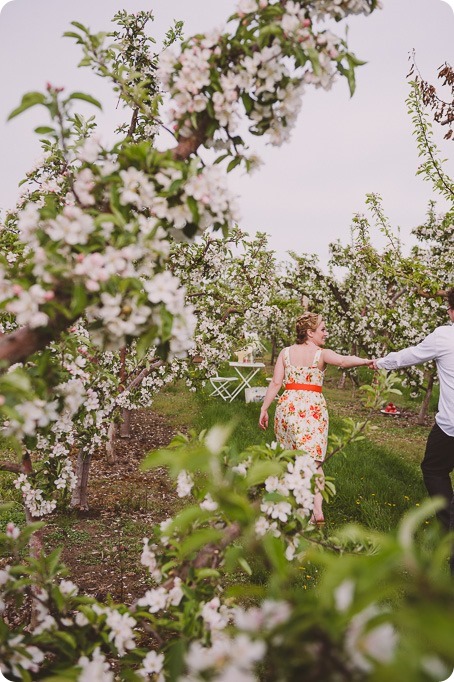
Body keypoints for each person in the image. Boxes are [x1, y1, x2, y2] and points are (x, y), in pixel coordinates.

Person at [259, 312, 371, 524]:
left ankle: (288, 506)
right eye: (323, 329)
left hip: (287, 409)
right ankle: (316, 511)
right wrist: (367, 361)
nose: (326, 333)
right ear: (310, 333)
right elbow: (344, 361)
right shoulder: (321, 354)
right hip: (311, 410)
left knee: (291, 458)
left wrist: (264, 408)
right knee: (315, 462)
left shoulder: (285, 353)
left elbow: (275, 383)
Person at [371, 287, 454, 570]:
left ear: (451, 311)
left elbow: (410, 355)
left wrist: (380, 363)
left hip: (450, 428)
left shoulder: (444, 335)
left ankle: (450, 526)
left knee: (434, 470)